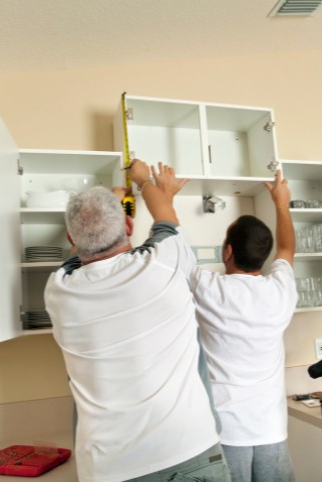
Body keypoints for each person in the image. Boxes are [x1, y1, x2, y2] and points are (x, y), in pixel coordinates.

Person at [44, 160, 232, 482]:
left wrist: (115, 200)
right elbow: (165, 218)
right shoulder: (165, 264)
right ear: (129, 227)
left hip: (108, 469)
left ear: (70, 238)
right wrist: (145, 181)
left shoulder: (58, 291)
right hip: (189, 451)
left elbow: (81, 257)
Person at [190, 170, 298, 482]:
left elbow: (175, 248)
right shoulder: (280, 289)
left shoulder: (210, 288)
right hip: (271, 429)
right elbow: (287, 249)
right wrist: (281, 204)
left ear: (228, 250)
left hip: (225, 430)